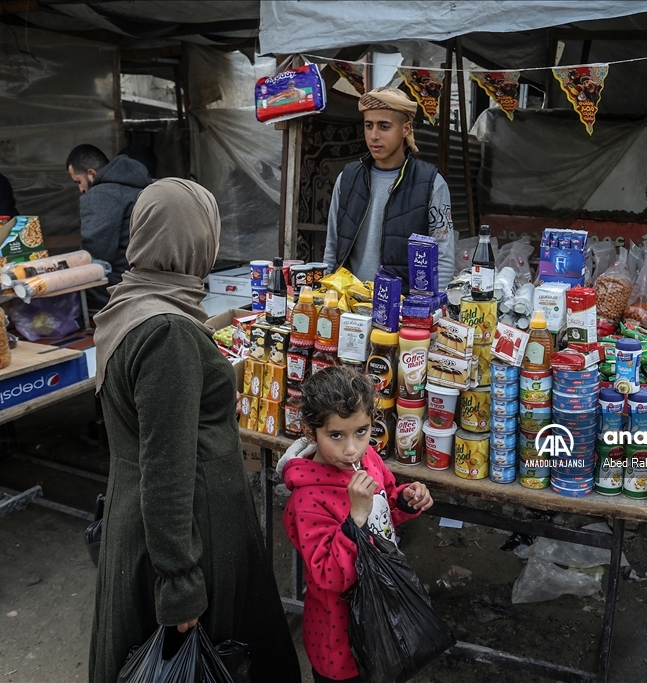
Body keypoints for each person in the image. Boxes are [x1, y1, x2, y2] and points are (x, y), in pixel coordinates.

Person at [89, 178, 301, 683]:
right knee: (215, 662)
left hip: (145, 523)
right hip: (190, 537)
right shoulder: (168, 334)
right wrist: (181, 584)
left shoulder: (129, 304)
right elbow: (167, 466)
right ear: (195, 240)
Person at [278, 366, 434, 683]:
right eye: (336, 435)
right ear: (310, 432)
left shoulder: (368, 460)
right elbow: (329, 575)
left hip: (386, 614)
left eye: (361, 432)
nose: (351, 449)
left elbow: (386, 505)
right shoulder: (308, 500)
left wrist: (406, 499)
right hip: (340, 637)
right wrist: (356, 518)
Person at [323, 87, 455, 293]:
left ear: (406, 128)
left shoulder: (431, 184)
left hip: (404, 308)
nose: (374, 135)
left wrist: (426, 310)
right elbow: (332, 247)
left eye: (384, 126)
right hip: (350, 303)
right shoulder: (348, 179)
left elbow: (443, 258)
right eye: (368, 126)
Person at [66, 144, 152, 309]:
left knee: (65, 294)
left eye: (79, 181)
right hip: (155, 279)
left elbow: (96, 252)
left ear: (91, 173)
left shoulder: (101, 195)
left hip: (123, 285)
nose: (81, 189)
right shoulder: (144, 187)